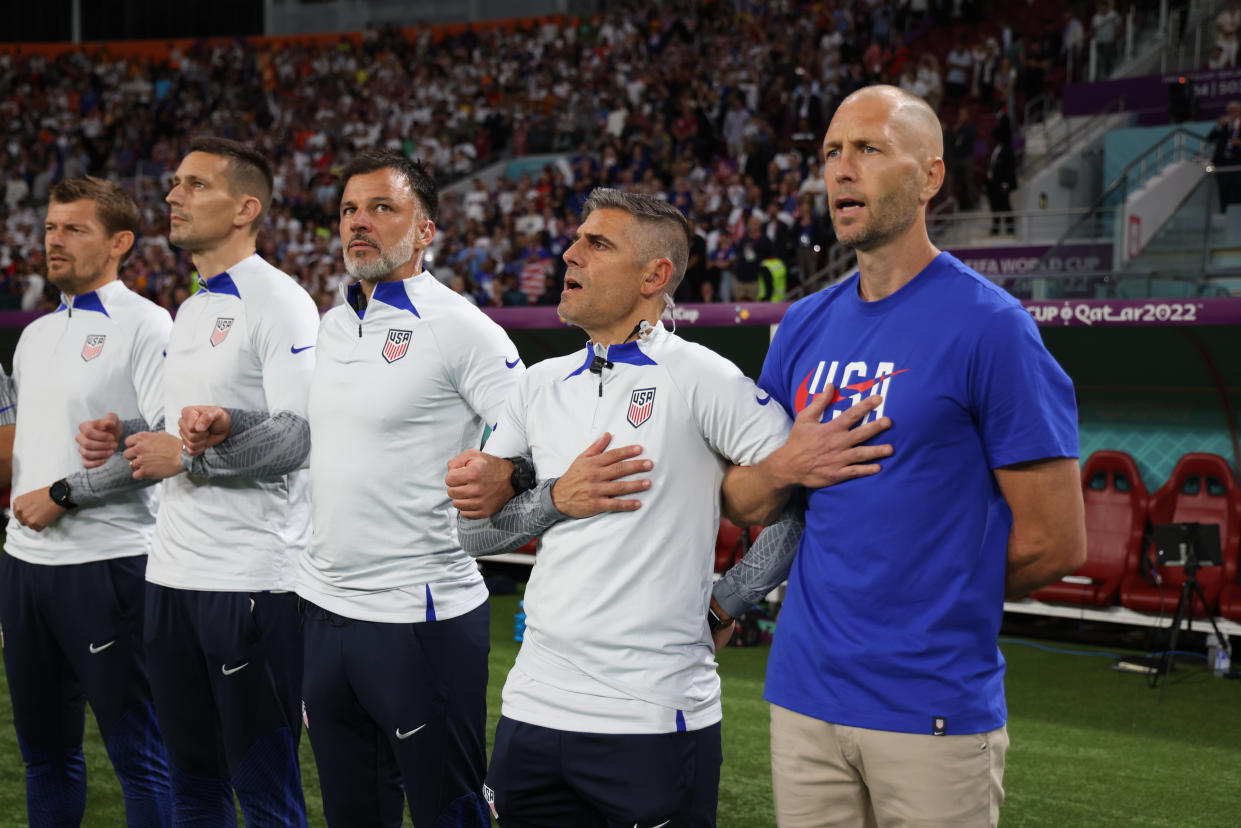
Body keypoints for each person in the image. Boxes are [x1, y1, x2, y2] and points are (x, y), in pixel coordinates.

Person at [444, 189, 893, 827]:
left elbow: (792, 506)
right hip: (532, 708)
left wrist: (728, 602)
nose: (570, 252)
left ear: (655, 276)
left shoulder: (704, 378)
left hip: (653, 714)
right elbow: (473, 536)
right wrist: (554, 498)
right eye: (577, 238)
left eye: (598, 244)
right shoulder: (537, 385)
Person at [756, 85, 1085, 827]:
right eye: (831, 153)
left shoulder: (991, 328)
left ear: (930, 176)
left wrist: (926, 604)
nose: (840, 170)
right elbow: (746, 498)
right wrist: (781, 467)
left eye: (868, 150)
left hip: (928, 703)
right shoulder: (801, 325)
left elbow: (1057, 541)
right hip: (803, 697)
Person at [79, 136, 319, 826]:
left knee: (266, 794)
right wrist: (126, 430)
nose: (172, 196)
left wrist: (183, 459)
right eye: (175, 183)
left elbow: (300, 435)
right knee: (192, 784)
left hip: (250, 583)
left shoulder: (281, 302)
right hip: (170, 579)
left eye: (193, 185)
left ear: (246, 208)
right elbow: (180, 425)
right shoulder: (190, 308)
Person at [290, 149, 522, 827]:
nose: (359, 223)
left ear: (424, 231)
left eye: (382, 208)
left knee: (448, 812)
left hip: (420, 616)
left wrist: (510, 472)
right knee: (352, 814)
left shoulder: (462, 328)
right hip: (325, 612)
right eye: (349, 210)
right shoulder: (331, 325)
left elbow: (534, 431)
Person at [0, 177, 173, 826]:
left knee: (141, 756)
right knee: (44, 755)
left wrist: (65, 496)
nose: (53, 240)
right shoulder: (36, 335)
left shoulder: (149, 327)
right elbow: (25, 450)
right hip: (22, 568)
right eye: (49, 227)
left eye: (74, 228)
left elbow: (169, 447)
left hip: (110, 567)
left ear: (119, 242)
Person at [1208, 100, 1241, 212]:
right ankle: (1224, 214)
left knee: (1238, 192)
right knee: (1223, 192)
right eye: (1229, 112)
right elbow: (1210, 138)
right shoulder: (1224, 126)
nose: (1232, 114)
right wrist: (1218, 126)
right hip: (1223, 165)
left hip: (1238, 165)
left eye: (1235, 111)